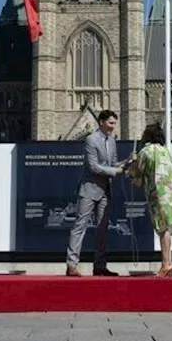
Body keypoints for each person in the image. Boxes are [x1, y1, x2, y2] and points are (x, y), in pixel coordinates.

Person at [66, 109, 129, 277]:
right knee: (80, 226)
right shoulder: (91, 140)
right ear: (101, 122)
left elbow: (113, 164)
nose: (113, 127)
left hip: (105, 191)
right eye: (111, 123)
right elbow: (93, 166)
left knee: (102, 229)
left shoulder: (112, 141)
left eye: (115, 123)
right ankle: (72, 265)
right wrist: (115, 171)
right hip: (89, 190)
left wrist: (128, 162)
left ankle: (100, 266)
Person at [126, 121, 172, 276]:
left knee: (162, 228)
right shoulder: (165, 151)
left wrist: (132, 163)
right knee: (167, 229)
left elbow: (137, 175)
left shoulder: (146, 151)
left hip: (158, 193)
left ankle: (165, 264)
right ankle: (168, 262)